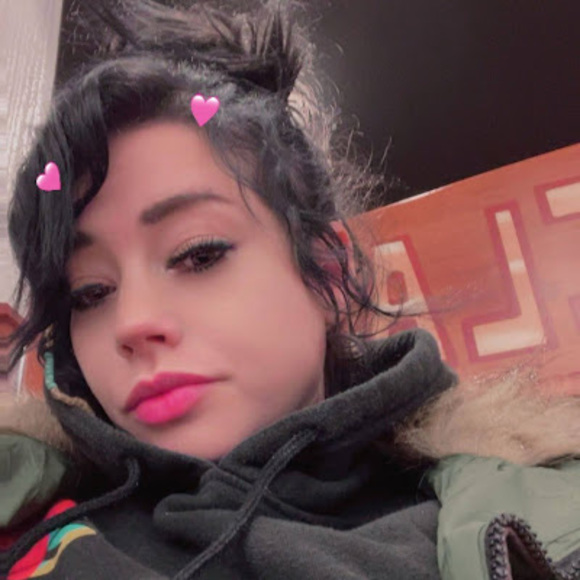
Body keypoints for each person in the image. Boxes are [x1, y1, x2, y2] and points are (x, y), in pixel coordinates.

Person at [3, 1, 580, 578]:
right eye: (90, 293)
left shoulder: (542, 516)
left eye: (198, 254)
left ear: (329, 274)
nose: (132, 323)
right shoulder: (28, 529)